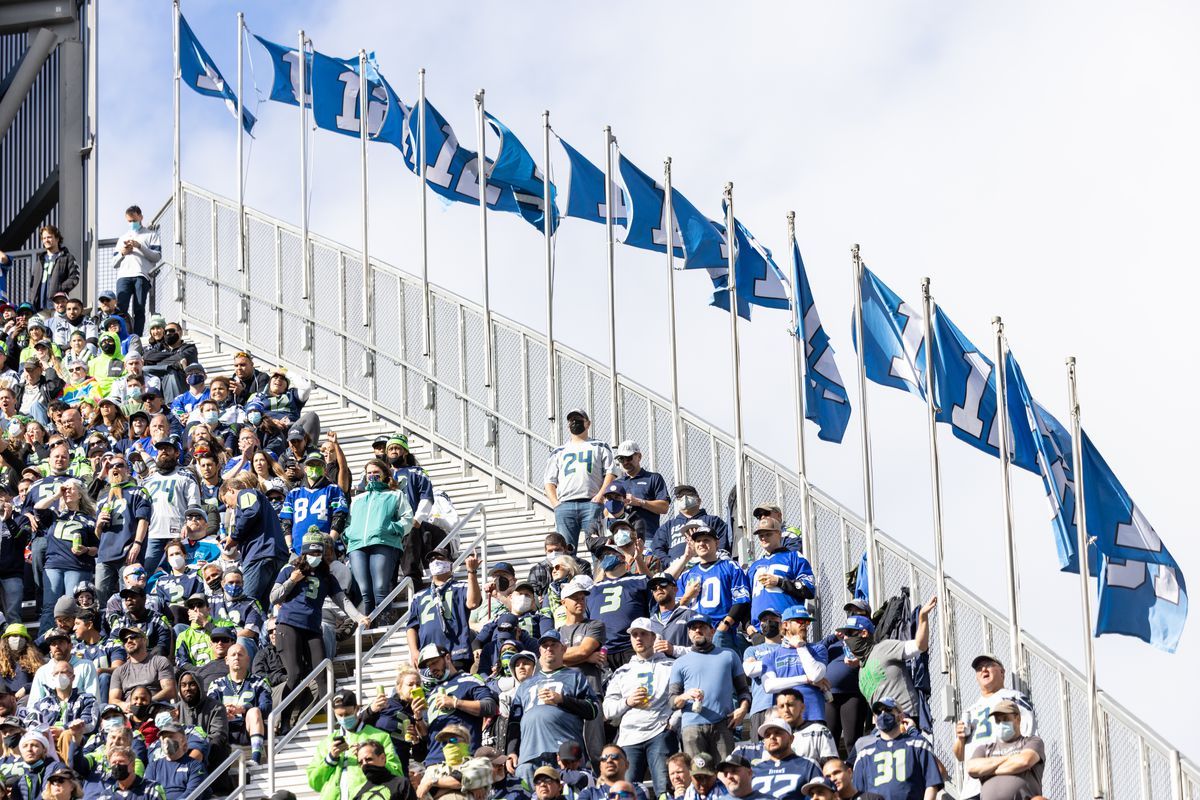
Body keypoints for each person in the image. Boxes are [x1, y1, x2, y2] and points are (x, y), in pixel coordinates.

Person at [270, 532, 366, 729]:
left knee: (323, 672)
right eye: (312, 551)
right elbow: (274, 597)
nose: (316, 555)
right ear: (305, 552)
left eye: (319, 552)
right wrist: (292, 581)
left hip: (312, 627)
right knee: (295, 674)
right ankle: (284, 720)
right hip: (289, 625)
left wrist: (358, 617)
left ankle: (334, 720)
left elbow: (342, 599)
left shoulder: (326, 576)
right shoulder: (290, 569)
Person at [505, 631, 600, 782]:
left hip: (564, 755)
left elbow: (593, 710)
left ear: (563, 649)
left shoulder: (575, 677)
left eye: (553, 645)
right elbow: (514, 722)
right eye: (545, 645)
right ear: (540, 651)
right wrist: (511, 752)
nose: (549, 648)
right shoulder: (525, 686)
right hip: (528, 756)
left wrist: (562, 700)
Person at [602, 619, 676, 800]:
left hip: (660, 732)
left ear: (653, 637)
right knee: (624, 790)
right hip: (629, 737)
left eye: (643, 634)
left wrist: (673, 723)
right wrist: (627, 701)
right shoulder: (621, 672)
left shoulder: (671, 667)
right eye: (634, 634)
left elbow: (681, 699)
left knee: (663, 789)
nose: (638, 638)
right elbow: (607, 710)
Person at [836, 598, 938, 723]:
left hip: (903, 717)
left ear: (864, 633)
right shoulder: (862, 669)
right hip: (884, 723)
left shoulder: (885, 647)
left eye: (850, 633)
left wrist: (923, 617)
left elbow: (920, 646)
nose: (846, 638)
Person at [954, 655, 1037, 800]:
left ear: (1002, 672)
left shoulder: (1014, 698)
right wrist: (960, 738)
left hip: (1004, 782)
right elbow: (960, 756)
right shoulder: (970, 710)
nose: (983, 669)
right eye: (979, 668)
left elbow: (1027, 735)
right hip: (972, 788)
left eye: (989, 665)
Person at [667, 616, 750, 760]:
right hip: (691, 728)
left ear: (712, 631)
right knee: (698, 778)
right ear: (689, 634)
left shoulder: (729, 655)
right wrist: (685, 696)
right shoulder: (679, 663)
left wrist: (742, 709)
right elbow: (672, 701)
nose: (698, 631)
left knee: (726, 775)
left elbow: (743, 690)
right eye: (693, 628)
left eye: (702, 627)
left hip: (723, 725)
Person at [542, 409, 616, 554]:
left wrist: (600, 496)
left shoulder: (600, 446)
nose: (575, 423)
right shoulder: (558, 451)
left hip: (591, 503)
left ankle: (599, 577)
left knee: (598, 548)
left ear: (588, 423)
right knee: (566, 552)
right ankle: (568, 577)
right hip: (565, 505)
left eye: (579, 419)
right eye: (572, 420)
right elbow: (549, 481)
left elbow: (611, 472)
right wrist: (556, 503)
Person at [343, 459, 411, 617]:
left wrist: (392, 528)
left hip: (384, 543)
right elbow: (348, 522)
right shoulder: (357, 499)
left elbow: (407, 518)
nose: (372, 475)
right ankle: (369, 626)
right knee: (364, 591)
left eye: (376, 472)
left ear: (385, 475)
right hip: (357, 546)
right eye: (369, 473)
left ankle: (383, 624)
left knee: (380, 587)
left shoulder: (395, 495)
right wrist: (348, 534)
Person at [307, 690, 403, 800]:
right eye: (339, 715)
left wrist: (369, 759)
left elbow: (397, 773)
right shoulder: (326, 743)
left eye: (347, 714)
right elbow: (314, 783)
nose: (343, 718)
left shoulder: (380, 736)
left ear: (357, 709)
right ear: (334, 713)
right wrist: (331, 759)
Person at [414, 643, 498, 763]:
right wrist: (418, 718)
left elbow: (490, 707)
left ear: (447, 658)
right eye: (428, 666)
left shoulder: (469, 680)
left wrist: (455, 702)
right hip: (434, 761)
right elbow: (425, 735)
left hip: (464, 757)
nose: (432, 669)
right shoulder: (431, 694)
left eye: (434, 662)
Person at [671, 526, 750, 652]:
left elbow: (741, 600)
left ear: (717, 543)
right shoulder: (686, 575)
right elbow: (676, 611)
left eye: (706, 540)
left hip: (721, 632)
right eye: (698, 541)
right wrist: (687, 596)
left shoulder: (730, 567)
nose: (702, 544)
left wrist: (724, 625)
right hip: (695, 633)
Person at [220, 472, 289, 609]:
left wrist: (233, 537)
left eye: (225, 501)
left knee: (248, 603)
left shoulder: (246, 494)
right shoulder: (260, 500)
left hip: (259, 554)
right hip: (274, 555)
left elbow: (250, 513)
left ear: (230, 490)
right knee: (262, 607)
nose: (228, 507)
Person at [850, 699, 942, 800]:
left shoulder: (918, 745)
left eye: (888, 710)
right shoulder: (864, 755)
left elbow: (932, 784)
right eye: (878, 712)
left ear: (901, 716)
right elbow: (857, 794)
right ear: (873, 719)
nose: (883, 714)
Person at [406, 550, 482, 671]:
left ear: (450, 563)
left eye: (440, 558)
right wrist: (414, 651)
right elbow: (411, 627)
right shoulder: (419, 596)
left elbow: (473, 603)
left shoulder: (461, 587)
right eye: (432, 560)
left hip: (456, 652)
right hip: (428, 656)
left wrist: (471, 572)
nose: (435, 561)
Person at [585, 536, 649, 669]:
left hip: (632, 645)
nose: (605, 557)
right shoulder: (592, 590)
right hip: (602, 651)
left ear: (621, 557)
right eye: (602, 556)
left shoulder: (640, 580)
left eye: (609, 554)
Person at [141, 436, 200, 577]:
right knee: (146, 575)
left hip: (178, 533)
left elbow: (194, 503)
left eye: (168, 448)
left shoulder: (186, 476)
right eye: (160, 449)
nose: (163, 451)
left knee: (180, 573)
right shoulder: (148, 480)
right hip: (153, 534)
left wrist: (189, 523)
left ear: (177, 453)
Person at [963, 700, 1045, 800]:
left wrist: (988, 770)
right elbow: (972, 768)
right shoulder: (985, 749)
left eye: (1005, 719)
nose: (1001, 723)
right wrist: (1011, 758)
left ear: (1017, 718)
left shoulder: (1031, 741)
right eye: (998, 720)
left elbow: (1024, 761)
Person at [760, 606, 828, 724]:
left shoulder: (818, 649)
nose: (804, 625)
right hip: (783, 719)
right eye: (800, 621)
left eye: (807, 622)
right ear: (785, 625)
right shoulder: (771, 656)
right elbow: (769, 686)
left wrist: (800, 647)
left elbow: (815, 675)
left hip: (813, 715)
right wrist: (805, 679)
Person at [746, 517, 814, 628]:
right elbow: (745, 600)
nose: (763, 538)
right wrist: (749, 627)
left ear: (779, 534)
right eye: (761, 535)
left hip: (787, 627)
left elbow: (809, 589)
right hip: (760, 630)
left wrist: (779, 582)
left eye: (768, 534)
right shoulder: (754, 566)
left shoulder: (794, 557)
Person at [650, 486, 732, 567]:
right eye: (680, 496)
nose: (684, 498)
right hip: (677, 570)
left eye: (689, 494)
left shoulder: (713, 521)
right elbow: (657, 549)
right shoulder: (668, 526)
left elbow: (722, 545)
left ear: (699, 501)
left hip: (708, 567)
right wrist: (670, 564)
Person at [743, 717, 822, 798]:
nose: (772, 737)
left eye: (777, 733)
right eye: (767, 735)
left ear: (791, 738)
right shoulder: (755, 770)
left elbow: (822, 795)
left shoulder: (808, 765)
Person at [112, 206, 161, 335]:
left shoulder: (151, 235)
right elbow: (113, 263)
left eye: (134, 220)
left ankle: (137, 336)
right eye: (129, 221)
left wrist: (140, 246)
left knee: (139, 308)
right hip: (123, 276)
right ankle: (121, 335)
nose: (132, 223)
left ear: (140, 217)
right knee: (121, 308)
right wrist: (123, 253)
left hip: (142, 275)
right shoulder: (123, 237)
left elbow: (156, 256)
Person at [610, 441, 669, 538]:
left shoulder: (653, 478)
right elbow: (607, 512)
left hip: (647, 537)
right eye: (621, 459)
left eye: (629, 458)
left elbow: (664, 507)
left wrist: (639, 502)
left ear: (639, 457)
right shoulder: (616, 484)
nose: (625, 462)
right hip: (622, 539)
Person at [108, 626, 176, 708]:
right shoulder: (119, 671)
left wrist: (147, 702)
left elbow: (170, 690)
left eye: (133, 637)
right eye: (125, 640)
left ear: (144, 640)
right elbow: (113, 700)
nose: (129, 641)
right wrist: (125, 705)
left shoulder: (160, 661)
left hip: (155, 708)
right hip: (129, 712)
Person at [144, 723, 205, 799]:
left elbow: (192, 792)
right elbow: (148, 792)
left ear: (183, 740)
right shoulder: (153, 766)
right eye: (164, 737)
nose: (166, 740)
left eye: (170, 736)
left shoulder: (194, 765)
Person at [32, 225, 80, 311]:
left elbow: (74, 277)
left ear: (57, 238)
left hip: (58, 306)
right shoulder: (39, 262)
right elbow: (32, 284)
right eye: (44, 238)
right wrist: (32, 297)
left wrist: (59, 289)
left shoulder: (67, 257)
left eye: (49, 237)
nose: (46, 240)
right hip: (39, 309)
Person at [820, 757, 884, 800]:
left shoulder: (872, 798)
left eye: (836, 773)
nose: (833, 779)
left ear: (849, 773)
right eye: (828, 777)